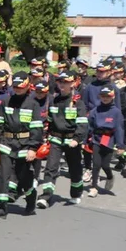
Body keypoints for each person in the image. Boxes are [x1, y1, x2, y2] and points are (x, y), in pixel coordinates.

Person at [0, 72, 44, 220]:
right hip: (7, 144)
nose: (18, 90)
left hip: (25, 145)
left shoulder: (33, 104)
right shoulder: (6, 101)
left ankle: (31, 198)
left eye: (21, 87)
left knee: (24, 177)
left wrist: (33, 149)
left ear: (27, 87)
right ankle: (0, 209)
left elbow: (37, 128)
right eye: (16, 87)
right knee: (3, 176)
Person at [36, 70, 88, 208]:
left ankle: (76, 193)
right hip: (56, 139)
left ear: (72, 83)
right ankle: (46, 196)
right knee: (50, 168)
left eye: (65, 82)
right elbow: (49, 120)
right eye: (60, 82)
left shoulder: (78, 103)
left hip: (72, 141)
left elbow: (82, 124)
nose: (62, 84)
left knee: (75, 169)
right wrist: (46, 133)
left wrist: (77, 139)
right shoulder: (54, 100)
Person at [87, 86, 124, 197]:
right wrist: (85, 139)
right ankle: (94, 186)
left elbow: (119, 129)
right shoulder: (95, 110)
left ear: (112, 97)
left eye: (107, 96)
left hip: (109, 139)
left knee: (105, 165)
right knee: (96, 164)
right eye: (103, 96)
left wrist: (120, 145)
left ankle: (109, 176)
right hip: (96, 139)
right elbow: (89, 126)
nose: (105, 98)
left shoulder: (116, 112)